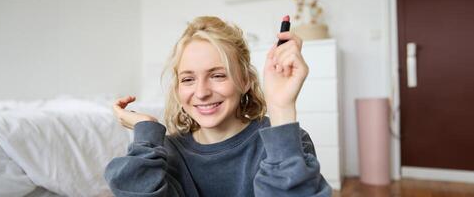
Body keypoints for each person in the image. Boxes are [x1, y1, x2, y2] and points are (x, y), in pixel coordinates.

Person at [104, 16, 331, 197]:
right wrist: (146, 132)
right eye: (188, 79)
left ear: (245, 81)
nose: (202, 92)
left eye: (218, 75)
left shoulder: (288, 141)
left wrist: (281, 109)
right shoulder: (167, 152)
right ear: (177, 88)